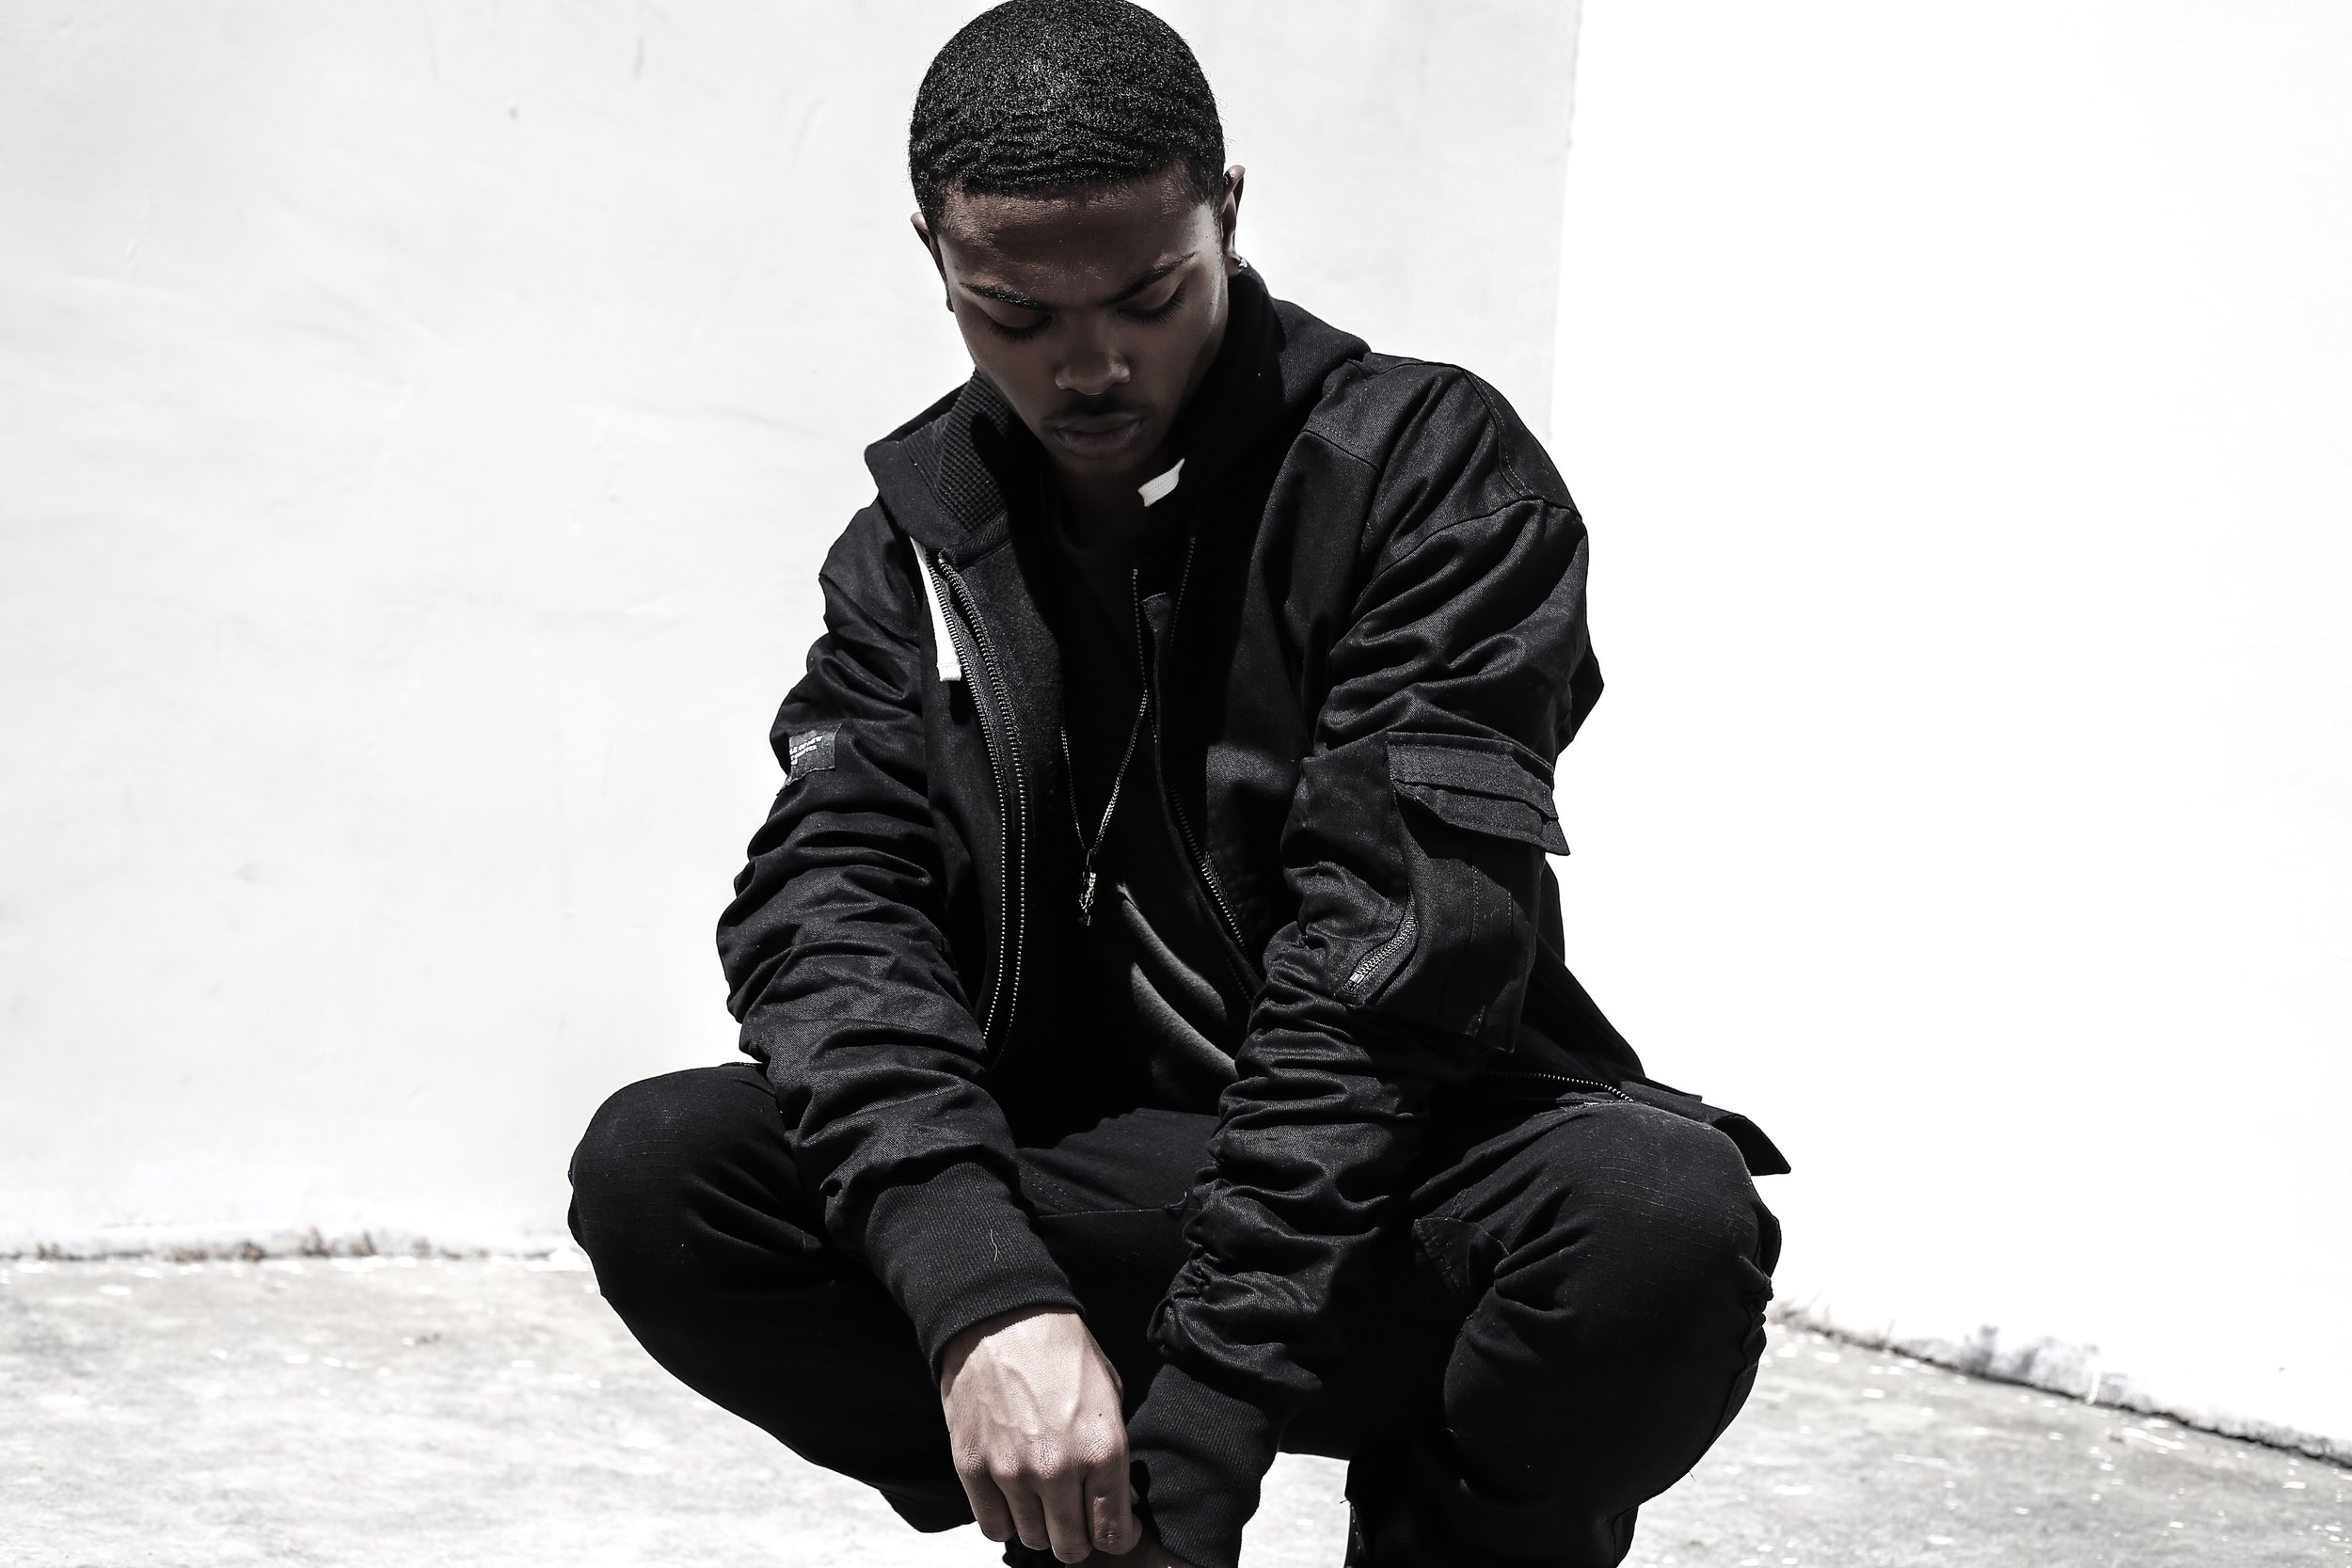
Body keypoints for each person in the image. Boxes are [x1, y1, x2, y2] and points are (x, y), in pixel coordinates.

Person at [567, 5, 1787, 1566]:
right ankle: (1071, 1513)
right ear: (935, 256)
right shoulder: (914, 552)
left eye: (1150, 295)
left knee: (1656, 1219)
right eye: (1013, 312)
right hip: (1087, 1182)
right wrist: (978, 1291)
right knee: (666, 1173)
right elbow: (830, 926)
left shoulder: (1426, 477)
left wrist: (1199, 1443)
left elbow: (1391, 974)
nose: (1090, 365)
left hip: (1391, 1182)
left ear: (1229, 211)